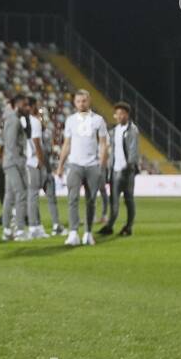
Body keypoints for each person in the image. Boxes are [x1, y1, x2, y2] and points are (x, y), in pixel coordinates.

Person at [55, 89, 109, 247]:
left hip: (92, 165)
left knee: (91, 201)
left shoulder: (98, 120)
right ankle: (73, 233)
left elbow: (103, 144)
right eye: (78, 101)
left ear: (89, 101)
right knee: (72, 199)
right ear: (74, 103)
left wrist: (102, 165)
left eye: (84, 101)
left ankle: (88, 233)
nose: (81, 104)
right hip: (75, 164)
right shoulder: (70, 120)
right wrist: (60, 165)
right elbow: (66, 144)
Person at [99, 100, 139, 237]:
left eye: (122, 113)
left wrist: (128, 167)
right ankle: (110, 226)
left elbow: (133, 152)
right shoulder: (114, 130)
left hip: (126, 171)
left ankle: (128, 227)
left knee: (128, 200)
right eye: (117, 114)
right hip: (115, 170)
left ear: (127, 114)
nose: (119, 116)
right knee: (114, 200)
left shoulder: (132, 130)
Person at [0, 95, 27, 240]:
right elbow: (11, 144)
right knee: (21, 194)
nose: (26, 108)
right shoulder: (14, 120)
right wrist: (20, 162)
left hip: (10, 161)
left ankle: (6, 231)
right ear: (17, 104)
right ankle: (20, 230)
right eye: (24, 105)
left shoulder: (12, 119)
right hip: (13, 162)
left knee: (9, 197)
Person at [23, 98, 50, 239]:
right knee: (33, 195)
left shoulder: (21, 120)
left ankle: (36, 225)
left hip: (24, 161)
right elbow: (36, 142)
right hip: (33, 162)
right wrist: (40, 160)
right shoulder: (34, 122)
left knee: (30, 194)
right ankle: (33, 226)